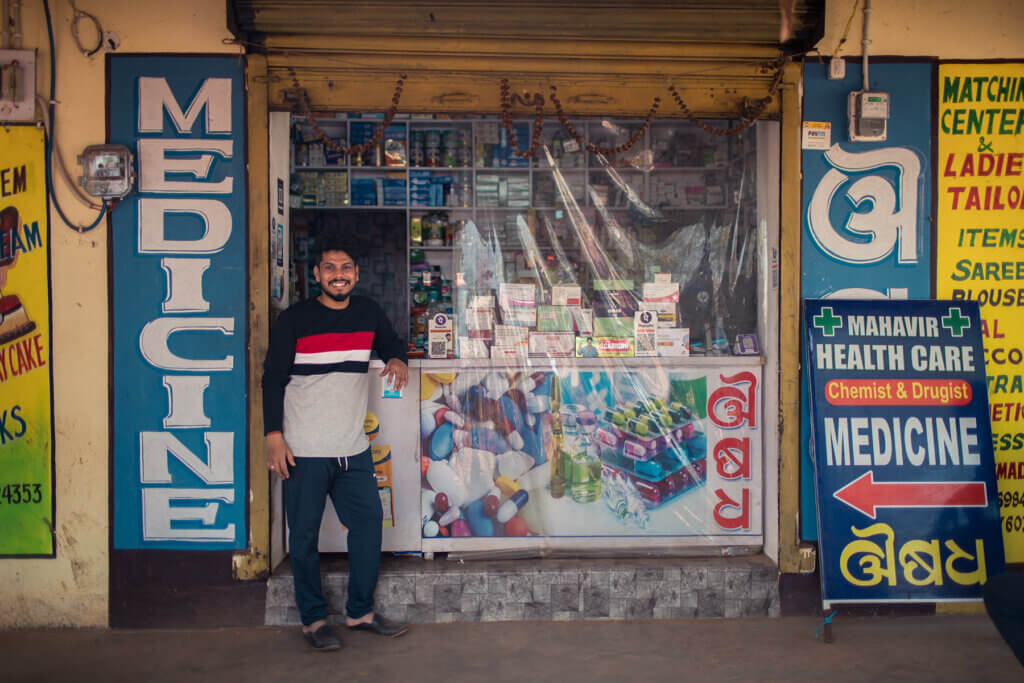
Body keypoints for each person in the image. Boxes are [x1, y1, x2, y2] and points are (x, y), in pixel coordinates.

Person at [262, 228, 410, 651]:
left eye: (345, 268)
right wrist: (274, 436)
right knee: (304, 537)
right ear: (317, 274)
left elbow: (390, 340)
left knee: (367, 526)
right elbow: (271, 381)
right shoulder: (293, 320)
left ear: (356, 274)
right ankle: (312, 621)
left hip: (352, 449)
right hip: (304, 450)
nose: (338, 275)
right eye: (330, 268)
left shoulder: (367, 313)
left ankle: (359, 612)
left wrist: (397, 356)